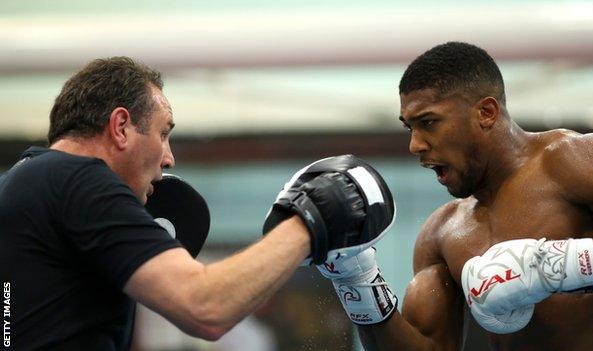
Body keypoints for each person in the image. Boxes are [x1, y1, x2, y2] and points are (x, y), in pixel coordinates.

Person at [0, 57, 394, 350]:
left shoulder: (24, 180)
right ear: (121, 127)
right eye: (163, 133)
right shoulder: (79, 180)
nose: (169, 158)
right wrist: (311, 219)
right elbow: (206, 308)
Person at [315, 41, 593, 350]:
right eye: (410, 127)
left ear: (486, 112)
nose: (415, 145)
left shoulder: (579, 159)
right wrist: (360, 286)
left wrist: (551, 268)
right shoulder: (442, 233)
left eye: (428, 123)